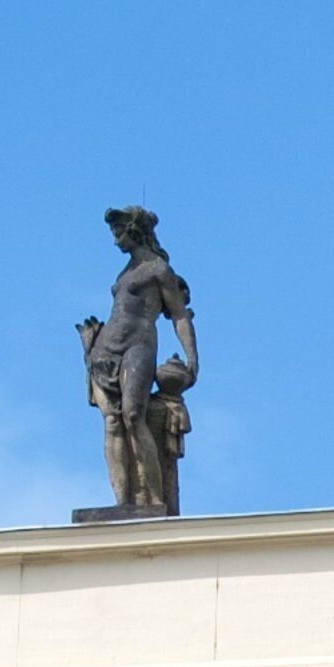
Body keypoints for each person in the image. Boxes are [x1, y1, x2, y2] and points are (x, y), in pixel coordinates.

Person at [77, 205, 196, 515]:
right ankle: (123, 503)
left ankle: (154, 501)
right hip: (105, 350)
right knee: (113, 422)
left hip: (138, 346)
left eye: (119, 232)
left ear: (134, 230)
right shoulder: (126, 271)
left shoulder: (158, 269)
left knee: (133, 415)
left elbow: (180, 316)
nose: (115, 241)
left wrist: (192, 357)